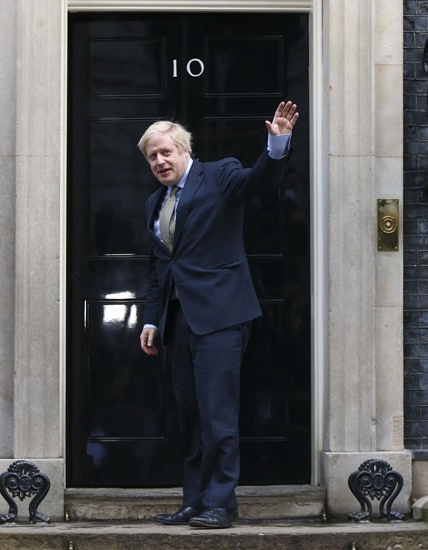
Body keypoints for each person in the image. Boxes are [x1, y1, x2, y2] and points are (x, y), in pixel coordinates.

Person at [138, 101, 299, 529]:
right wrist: (152, 320)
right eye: (152, 156)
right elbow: (158, 269)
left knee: (218, 416)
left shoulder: (220, 175)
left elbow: (258, 181)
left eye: (166, 152)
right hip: (179, 322)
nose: (159, 161)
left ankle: (221, 504)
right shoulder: (155, 202)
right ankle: (194, 501)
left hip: (222, 316)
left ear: (185, 150)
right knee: (190, 416)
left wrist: (277, 142)